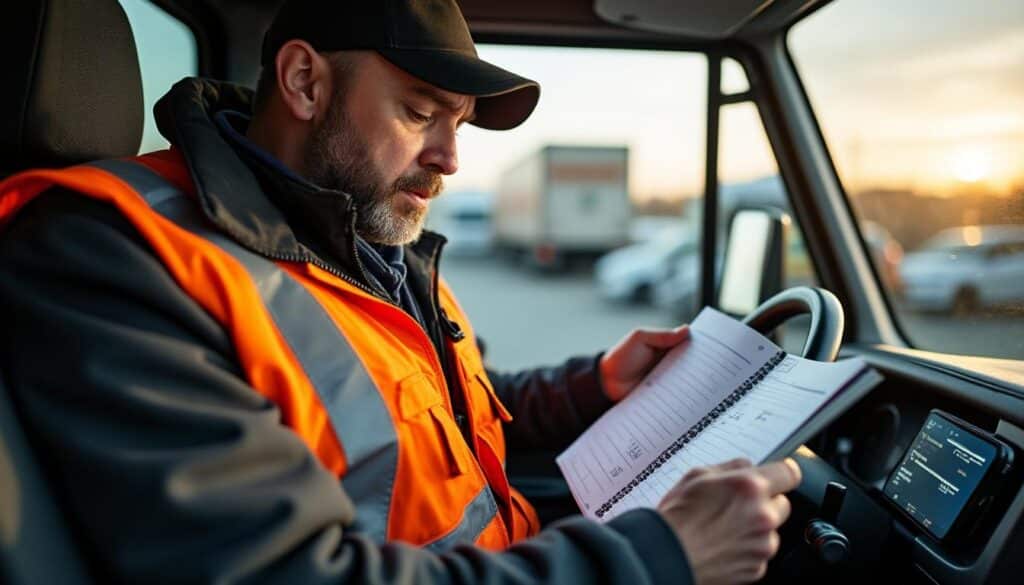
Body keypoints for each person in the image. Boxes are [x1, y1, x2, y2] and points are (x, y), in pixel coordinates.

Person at [0, 0, 800, 583]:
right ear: (306, 84)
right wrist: (655, 557)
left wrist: (589, 387)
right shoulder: (114, 254)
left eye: (461, 123)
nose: (452, 157)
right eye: (421, 113)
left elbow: (443, 419)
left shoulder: (368, 239)